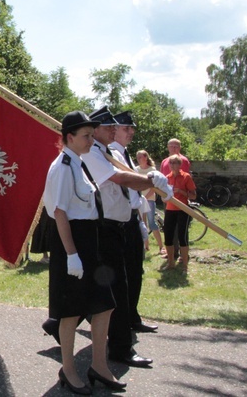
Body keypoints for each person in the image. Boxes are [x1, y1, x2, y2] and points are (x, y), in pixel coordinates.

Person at [82, 106, 171, 368]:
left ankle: (114, 338)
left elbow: (127, 178)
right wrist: (148, 179)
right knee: (116, 287)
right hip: (105, 227)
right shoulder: (93, 154)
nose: (114, 131)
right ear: (95, 129)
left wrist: (147, 178)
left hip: (120, 224)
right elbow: (118, 178)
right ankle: (120, 348)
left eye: (114, 127)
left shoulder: (107, 151)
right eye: (109, 127)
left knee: (118, 285)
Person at [43, 111, 123, 394]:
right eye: (86, 135)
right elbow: (60, 212)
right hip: (71, 242)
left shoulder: (80, 163)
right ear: (69, 138)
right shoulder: (63, 166)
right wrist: (71, 254)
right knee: (70, 311)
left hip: (90, 240)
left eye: (92, 134)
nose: (91, 140)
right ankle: (68, 369)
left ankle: (99, 366)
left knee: (105, 304)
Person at [109, 111, 158, 335]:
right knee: (123, 274)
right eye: (126, 128)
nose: (131, 132)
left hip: (132, 216)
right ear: (114, 129)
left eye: (132, 129)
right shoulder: (111, 154)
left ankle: (132, 316)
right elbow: (125, 181)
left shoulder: (124, 154)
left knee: (135, 270)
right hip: (118, 219)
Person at [162, 154, 197, 273]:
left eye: (174, 163)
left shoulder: (186, 177)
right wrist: (165, 197)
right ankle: (171, 263)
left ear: (179, 165)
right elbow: (163, 197)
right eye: (170, 163)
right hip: (170, 210)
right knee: (168, 236)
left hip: (183, 210)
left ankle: (185, 266)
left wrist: (181, 192)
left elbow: (193, 195)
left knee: (182, 236)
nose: (172, 165)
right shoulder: (167, 178)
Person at [136, 150, 164, 255]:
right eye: (137, 157)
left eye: (140, 157)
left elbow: (154, 186)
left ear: (145, 157)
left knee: (152, 222)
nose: (138, 159)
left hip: (149, 199)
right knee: (142, 223)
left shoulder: (152, 170)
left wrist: (146, 197)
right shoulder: (136, 169)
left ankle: (161, 246)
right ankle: (146, 246)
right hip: (140, 199)